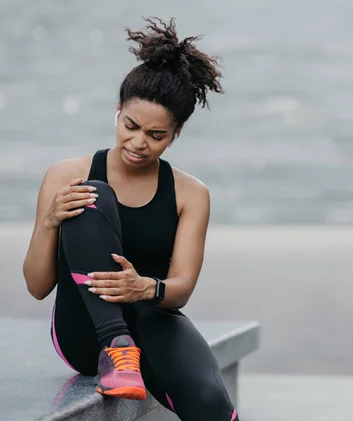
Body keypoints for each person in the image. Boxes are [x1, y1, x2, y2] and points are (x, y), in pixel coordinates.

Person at [22, 17, 240, 421]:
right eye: (130, 126)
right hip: (86, 332)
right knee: (92, 194)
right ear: (118, 111)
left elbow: (180, 289)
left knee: (212, 404)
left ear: (175, 134)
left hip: (149, 316)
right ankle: (117, 347)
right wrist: (52, 220)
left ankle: (129, 348)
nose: (139, 143)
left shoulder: (191, 193)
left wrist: (143, 286)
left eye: (155, 135)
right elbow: (37, 287)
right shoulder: (65, 175)